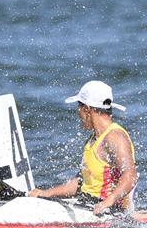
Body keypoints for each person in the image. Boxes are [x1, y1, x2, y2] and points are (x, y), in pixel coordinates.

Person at [29, 81, 137, 215]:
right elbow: (80, 184)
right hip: (86, 204)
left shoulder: (115, 137)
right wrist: (45, 193)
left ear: (86, 109)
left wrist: (107, 202)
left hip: (108, 212)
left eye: (78, 108)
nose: (78, 113)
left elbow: (130, 176)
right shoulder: (93, 139)